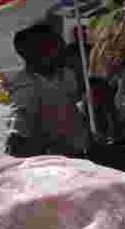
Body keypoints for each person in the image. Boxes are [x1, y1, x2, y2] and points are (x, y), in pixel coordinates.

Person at [7, 23, 91, 160]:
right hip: (60, 163)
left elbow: (73, 100)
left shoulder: (64, 73)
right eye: (56, 45)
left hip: (80, 151)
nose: (64, 47)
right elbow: (18, 139)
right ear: (37, 53)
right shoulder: (26, 89)